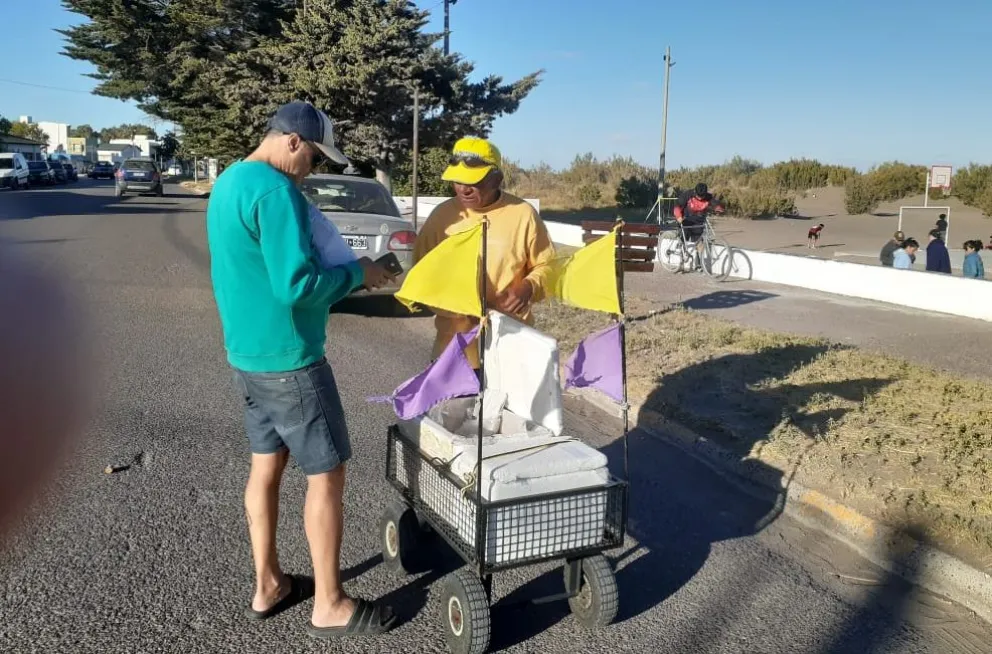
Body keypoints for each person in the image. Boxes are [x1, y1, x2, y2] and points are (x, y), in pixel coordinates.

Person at [205, 100, 396, 639]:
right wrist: (359, 273)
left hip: (246, 356)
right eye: (313, 156)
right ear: (292, 141)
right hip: (291, 360)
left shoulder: (229, 183)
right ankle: (330, 603)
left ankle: (268, 584)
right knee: (326, 472)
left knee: (265, 467)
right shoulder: (276, 191)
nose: (313, 168)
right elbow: (296, 285)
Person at [413, 137, 556, 370]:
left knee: (507, 407)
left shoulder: (523, 214)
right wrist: (455, 306)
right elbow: (419, 275)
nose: (463, 188)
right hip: (455, 351)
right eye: (457, 181)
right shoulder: (442, 217)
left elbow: (548, 266)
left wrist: (529, 287)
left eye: (474, 181)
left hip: (510, 345)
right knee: (456, 408)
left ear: (496, 179)